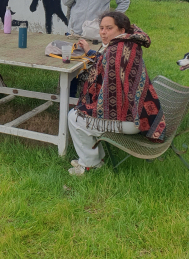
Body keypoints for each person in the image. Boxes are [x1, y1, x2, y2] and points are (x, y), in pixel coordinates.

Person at [67, 12, 167, 176]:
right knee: (83, 112)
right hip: (142, 114)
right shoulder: (128, 44)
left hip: (131, 121)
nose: (103, 32)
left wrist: (88, 107)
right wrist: (90, 51)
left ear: (122, 29)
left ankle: (89, 165)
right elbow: (104, 62)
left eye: (109, 28)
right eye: (101, 28)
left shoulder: (117, 51)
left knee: (75, 117)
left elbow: (110, 98)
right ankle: (95, 158)